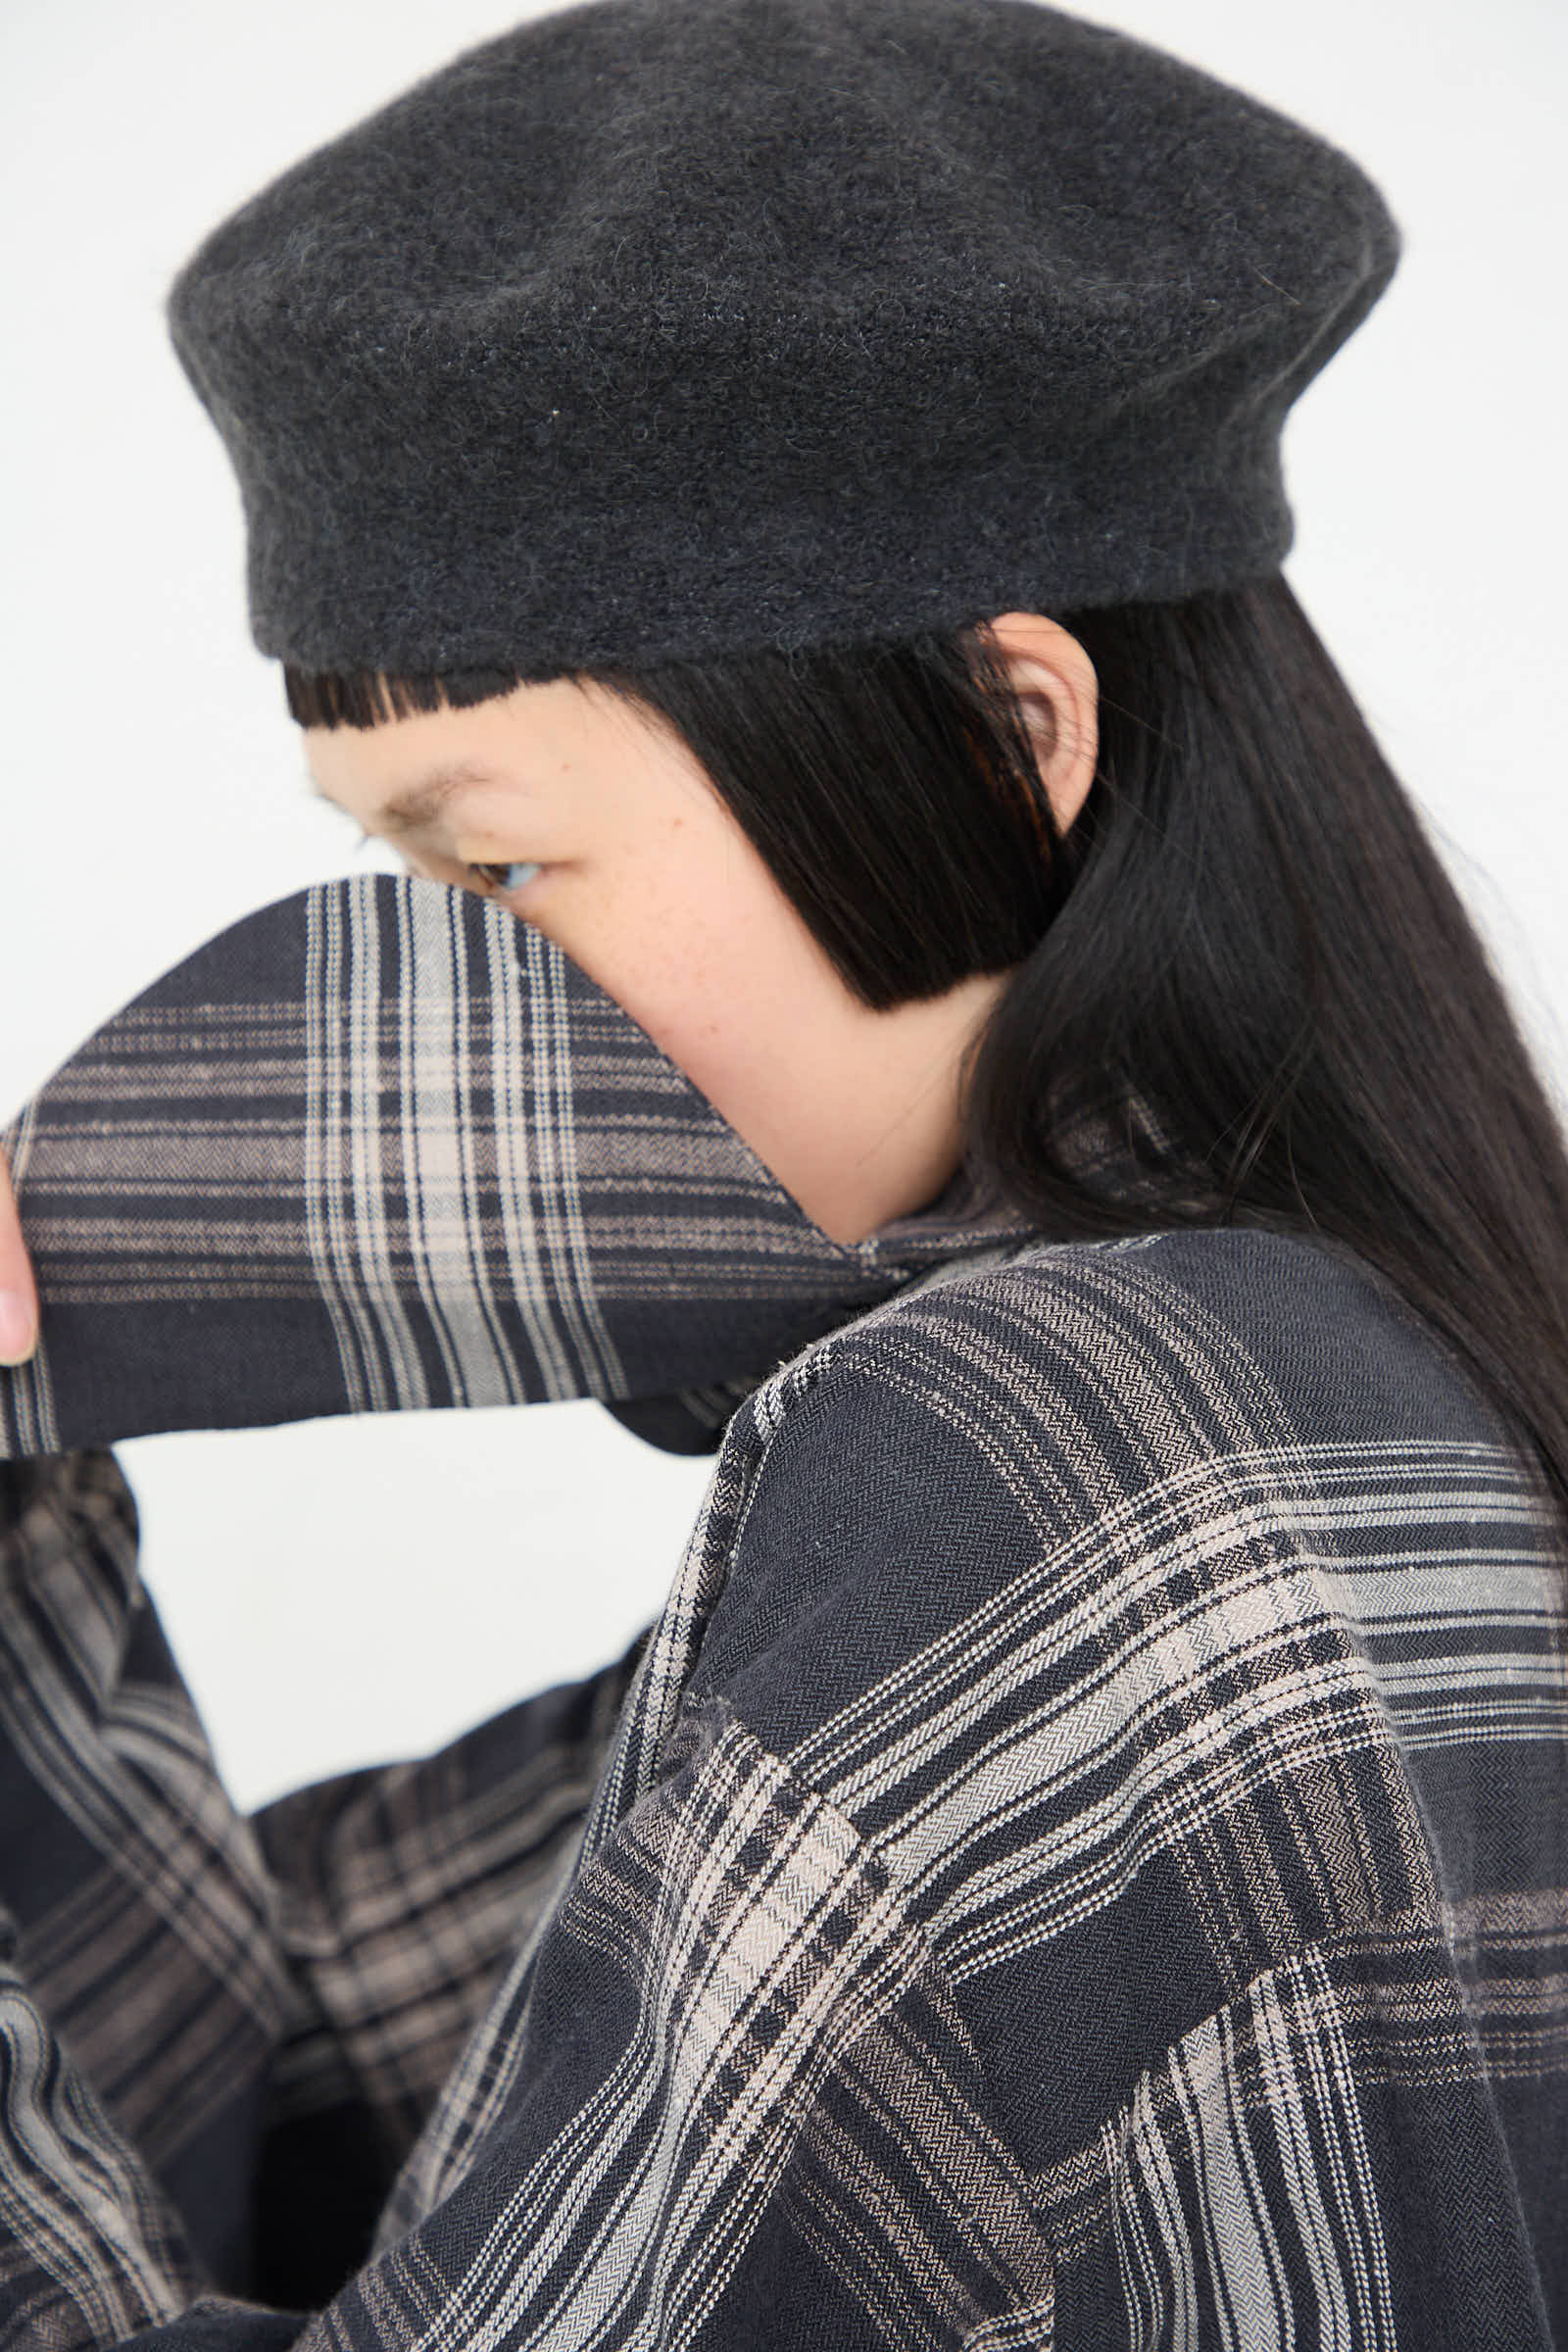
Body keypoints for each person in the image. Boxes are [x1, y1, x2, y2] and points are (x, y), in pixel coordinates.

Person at [1, 0, 1566, 2345]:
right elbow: (329, 2042)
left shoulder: (1044, 1472)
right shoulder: (1352, 1363)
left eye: (502, 875)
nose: (421, 1008)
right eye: (379, 884)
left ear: (1008, 734)